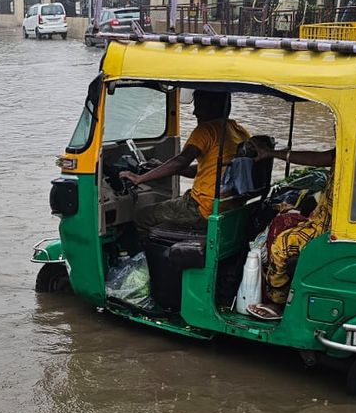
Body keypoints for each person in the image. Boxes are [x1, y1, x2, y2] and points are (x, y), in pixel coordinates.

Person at [119, 90, 250, 232]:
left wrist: (139, 178)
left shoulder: (206, 130)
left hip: (203, 208)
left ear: (213, 106)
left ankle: (147, 248)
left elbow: (181, 161)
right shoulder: (240, 131)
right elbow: (205, 170)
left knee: (143, 215)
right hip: (229, 206)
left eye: (199, 106)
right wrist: (162, 167)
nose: (195, 112)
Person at [247, 146, 335, 318]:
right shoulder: (350, 153)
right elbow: (317, 158)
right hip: (321, 218)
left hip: (327, 228)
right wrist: (273, 153)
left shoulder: (354, 155)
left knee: (281, 244)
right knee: (282, 221)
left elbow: (317, 159)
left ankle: (277, 302)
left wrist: (273, 153)